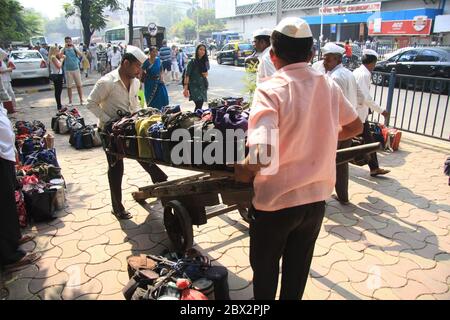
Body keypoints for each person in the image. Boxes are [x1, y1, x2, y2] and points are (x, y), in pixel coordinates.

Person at [234, 17, 363, 300]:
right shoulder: (328, 86)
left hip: (274, 205)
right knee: (297, 274)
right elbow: (355, 127)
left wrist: (243, 169)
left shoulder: (270, 89)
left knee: (266, 275)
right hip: (315, 202)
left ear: (273, 54)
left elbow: (260, 155)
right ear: (311, 54)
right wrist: (322, 135)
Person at [86, 46, 168, 220]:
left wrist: (143, 115)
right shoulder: (106, 82)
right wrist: (107, 120)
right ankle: (117, 207)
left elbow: (136, 104)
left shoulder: (137, 82)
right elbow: (90, 103)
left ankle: (162, 183)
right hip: (110, 133)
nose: (140, 71)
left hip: (130, 128)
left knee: (147, 155)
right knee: (116, 169)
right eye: (137, 66)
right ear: (125, 63)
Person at [0, 80, 41, 270]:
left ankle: (13, 237)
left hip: (4, 153)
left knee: (7, 200)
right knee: (2, 204)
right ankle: (9, 256)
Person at [322, 42, 363, 204]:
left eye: (328, 59)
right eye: (324, 58)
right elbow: (358, 96)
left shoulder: (335, 77)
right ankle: (343, 195)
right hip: (348, 123)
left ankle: (323, 196)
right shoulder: (347, 73)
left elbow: (331, 106)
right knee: (342, 162)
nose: (324, 62)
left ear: (338, 59)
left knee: (330, 162)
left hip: (339, 127)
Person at [353, 49, 391, 177]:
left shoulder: (358, 71)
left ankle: (374, 167)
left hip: (358, 113)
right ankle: (372, 167)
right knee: (366, 141)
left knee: (368, 141)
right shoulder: (364, 74)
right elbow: (366, 98)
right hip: (358, 114)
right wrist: (381, 111)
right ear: (372, 63)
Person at [183, 44, 209, 112]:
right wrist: (185, 89)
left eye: (204, 50)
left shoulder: (204, 61)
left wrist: (205, 74)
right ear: (197, 50)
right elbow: (187, 75)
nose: (202, 51)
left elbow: (206, 74)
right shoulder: (192, 62)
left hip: (202, 86)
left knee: (200, 105)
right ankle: (196, 117)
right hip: (194, 86)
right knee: (199, 104)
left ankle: (197, 118)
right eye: (200, 49)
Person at [61, 36, 84, 106]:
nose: (68, 43)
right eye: (66, 41)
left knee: (79, 85)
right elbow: (60, 55)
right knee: (69, 86)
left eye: (69, 41)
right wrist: (64, 47)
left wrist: (74, 47)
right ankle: (70, 101)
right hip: (68, 70)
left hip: (76, 69)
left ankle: (81, 100)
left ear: (71, 41)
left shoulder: (74, 48)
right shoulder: (64, 49)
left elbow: (80, 55)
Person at [48, 46, 65, 110]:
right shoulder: (53, 57)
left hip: (58, 74)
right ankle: (59, 105)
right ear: (54, 50)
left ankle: (59, 104)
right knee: (58, 91)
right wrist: (62, 60)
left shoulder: (54, 57)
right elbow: (59, 66)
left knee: (58, 90)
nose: (58, 51)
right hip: (57, 75)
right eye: (57, 50)